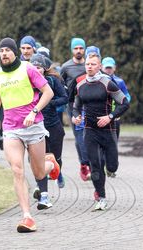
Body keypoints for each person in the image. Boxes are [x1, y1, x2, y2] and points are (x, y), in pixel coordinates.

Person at [0, 38, 60, 233]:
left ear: (15, 52)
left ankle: (51, 164)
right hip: (11, 129)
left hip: (33, 127)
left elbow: (48, 92)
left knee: (39, 173)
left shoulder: (28, 69)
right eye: (2, 50)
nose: (4, 53)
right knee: (17, 170)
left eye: (8, 50)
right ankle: (27, 216)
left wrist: (34, 112)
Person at [73, 53, 129, 211]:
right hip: (90, 131)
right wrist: (75, 116)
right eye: (87, 64)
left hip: (108, 130)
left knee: (112, 166)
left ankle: (110, 169)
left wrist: (110, 116)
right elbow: (76, 106)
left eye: (92, 64)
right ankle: (101, 197)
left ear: (99, 66)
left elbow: (124, 103)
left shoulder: (108, 83)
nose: (89, 66)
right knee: (95, 165)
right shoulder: (80, 85)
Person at [30, 54, 68, 189]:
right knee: (39, 159)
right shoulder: (27, 82)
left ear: (45, 68)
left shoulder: (52, 81)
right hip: (36, 126)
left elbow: (65, 97)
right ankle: (40, 188)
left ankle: (58, 172)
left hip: (53, 125)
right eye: (34, 67)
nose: (36, 70)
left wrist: (50, 103)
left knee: (56, 158)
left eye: (39, 67)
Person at [60, 37, 91, 181]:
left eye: (81, 48)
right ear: (72, 50)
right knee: (79, 137)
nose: (78, 51)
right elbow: (60, 85)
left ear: (84, 49)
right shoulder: (66, 67)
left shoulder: (90, 65)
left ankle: (92, 163)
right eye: (76, 48)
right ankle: (84, 165)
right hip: (74, 106)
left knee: (91, 135)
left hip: (90, 105)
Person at [101, 56, 131, 139]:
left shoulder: (119, 81)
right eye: (106, 68)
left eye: (110, 68)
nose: (108, 70)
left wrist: (121, 105)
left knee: (114, 141)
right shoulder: (97, 80)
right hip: (101, 115)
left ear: (114, 68)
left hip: (115, 116)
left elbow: (127, 96)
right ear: (101, 67)